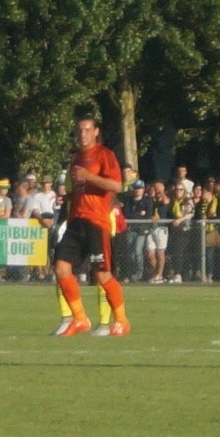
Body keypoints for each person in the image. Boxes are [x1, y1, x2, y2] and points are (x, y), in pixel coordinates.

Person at [50, 116, 129, 337]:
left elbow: (117, 185)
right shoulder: (76, 158)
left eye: (87, 130)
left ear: (96, 132)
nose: (82, 134)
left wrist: (89, 176)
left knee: (102, 274)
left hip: (97, 221)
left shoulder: (105, 154)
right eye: (79, 130)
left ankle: (121, 320)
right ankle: (80, 318)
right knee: (60, 268)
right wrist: (68, 197)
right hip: (76, 220)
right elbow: (82, 189)